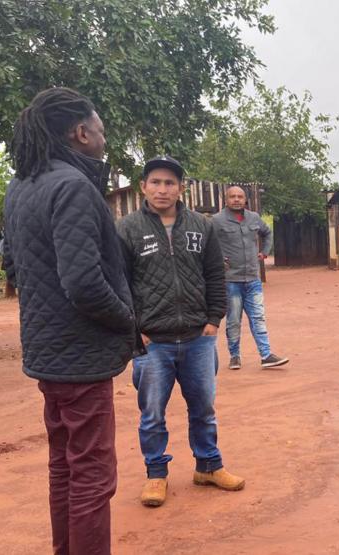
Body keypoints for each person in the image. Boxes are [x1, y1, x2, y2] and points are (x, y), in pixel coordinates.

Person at [3, 87, 135, 555]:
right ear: (81, 133)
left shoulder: (20, 186)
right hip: (81, 360)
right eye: (100, 131)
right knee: (93, 477)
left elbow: (13, 266)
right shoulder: (73, 186)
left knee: (65, 467)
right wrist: (127, 323)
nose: (103, 140)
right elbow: (84, 283)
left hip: (46, 355)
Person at [117, 156, 244, 507]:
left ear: (181, 188)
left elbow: (215, 275)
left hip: (197, 338)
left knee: (203, 408)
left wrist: (214, 319)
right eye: (155, 182)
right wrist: (134, 330)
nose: (162, 189)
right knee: (152, 414)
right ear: (144, 186)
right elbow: (120, 283)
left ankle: (208, 466)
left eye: (169, 183)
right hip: (151, 342)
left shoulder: (202, 227)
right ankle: (156, 475)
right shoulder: (127, 229)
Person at [213, 184, 289, 370]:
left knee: (258, 317)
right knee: (233, 320)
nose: (237, 199)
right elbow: (207, 242)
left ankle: (266, 355)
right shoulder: (216, 220)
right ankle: (234, 356)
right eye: (233, 196)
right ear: (226, 199)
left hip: (253, 279)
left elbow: (268, 232)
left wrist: (264, 252)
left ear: (245, 199)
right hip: (231, 280)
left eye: (240, 196)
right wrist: (217, 259)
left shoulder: (253, 218)